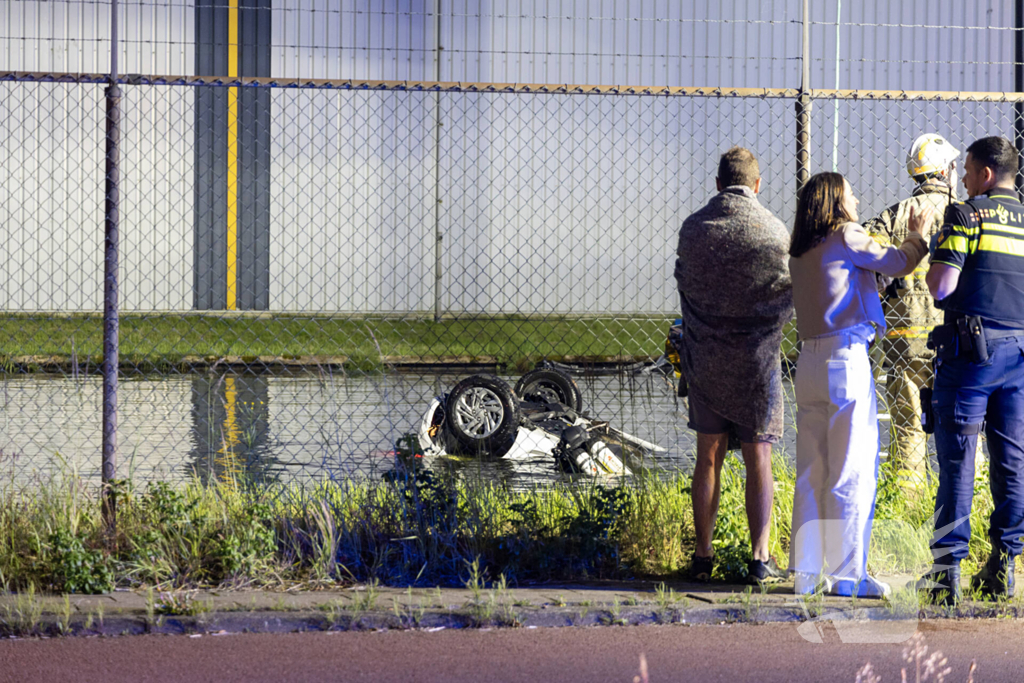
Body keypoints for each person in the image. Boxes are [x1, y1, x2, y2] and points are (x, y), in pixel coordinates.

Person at [788, 172, 931, 597]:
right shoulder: (847, 234)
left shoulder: (801, 250)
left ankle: (806, 574)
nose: (856, 197)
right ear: (835, 200)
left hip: (808, 363)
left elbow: (849, 282)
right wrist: (917, 236)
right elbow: (899, 261)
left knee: (811, 471)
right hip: (845, 361)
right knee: (852, 470)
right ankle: (849, 575)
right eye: (850, 192)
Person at [673, 146, 793, 585]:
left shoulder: (694, 228)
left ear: (719, 184)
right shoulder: (775, 231)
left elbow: (685, 285)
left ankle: (703, 557)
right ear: (757, 185)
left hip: (706, 361)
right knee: (759, 458)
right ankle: (759, 559)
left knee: (708, 457)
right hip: (757, 365)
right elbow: (786, 299)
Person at [917, 136, 1024, 603]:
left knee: (958, 464)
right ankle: (1005, 567)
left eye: (966, 172)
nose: (961, 180)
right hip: (1020, 355)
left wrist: (929, 263)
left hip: (971, 356)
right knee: (1013, 463)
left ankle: (947, 575)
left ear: (983, 174)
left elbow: (941, 286)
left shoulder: (967, 214)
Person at [864, 134, 961, 487]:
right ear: (945, 170)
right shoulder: (964, 214)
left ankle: (907, 507)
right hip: (955, 343)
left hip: (904, 342)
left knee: (907, 431)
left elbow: (869, 265)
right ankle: (973, 504)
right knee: (966, 431)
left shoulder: (893, 216)